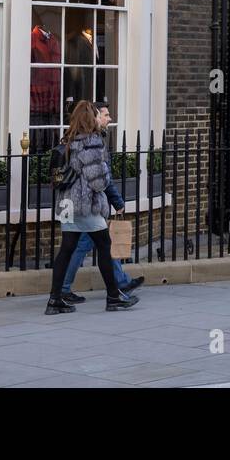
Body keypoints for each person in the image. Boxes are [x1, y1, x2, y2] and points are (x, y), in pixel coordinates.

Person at [45, 100, 139, 314]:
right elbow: (98, 181)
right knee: (105, 247)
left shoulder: (67, 140)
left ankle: (54, 300)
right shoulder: (91, 142)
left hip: (67, 204)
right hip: (86, 205)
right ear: (90, 119)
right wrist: (105, 174)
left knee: (66, 251)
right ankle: (114, 297)